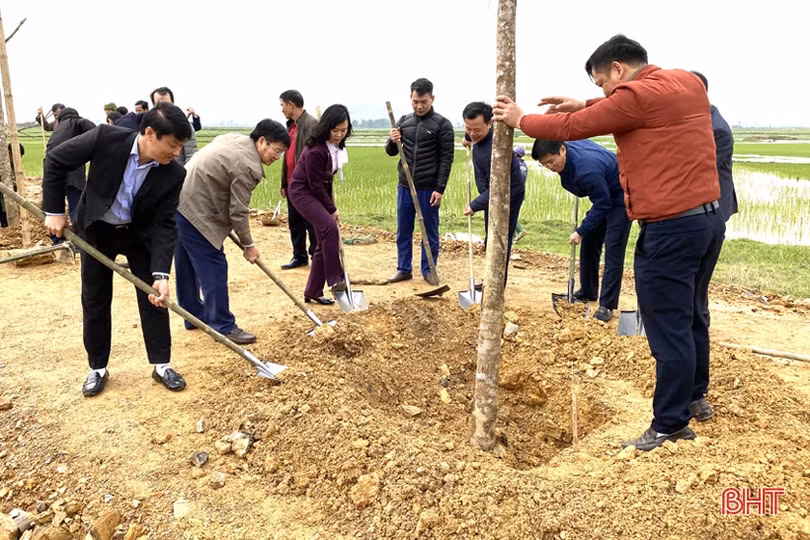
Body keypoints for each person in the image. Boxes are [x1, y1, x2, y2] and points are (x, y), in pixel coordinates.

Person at [494, 34, 724, 451]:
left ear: (618, 69)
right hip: (707, 223)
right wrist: (586, 102)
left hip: (669, 229)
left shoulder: (634, 95)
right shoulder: (687, 82)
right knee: (692, 314)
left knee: (667, 325)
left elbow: (570, 128)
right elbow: (627, 107)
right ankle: (694, 397)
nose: (604, 91)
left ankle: (671, 422)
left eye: (602, 83)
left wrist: (520, 118)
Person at [42, 102, 193, 397]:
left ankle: (161, 365)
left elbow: (165, 223)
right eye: (173, 145)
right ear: (149, 133)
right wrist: (54, 210)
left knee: (155, 297)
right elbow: (56, 160)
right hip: (97, 230)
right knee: (96, 299)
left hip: (139, 234)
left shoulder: (173, 174)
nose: (177, 153)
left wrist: (162, 272)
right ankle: (97, 368)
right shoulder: (105, 138)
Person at [175, 120, 290, 345]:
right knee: (214, 265)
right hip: (197, 210)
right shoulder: (249, 166)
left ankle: (193, 315)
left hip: (177, 201)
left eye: (281, 153)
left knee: (186, 263)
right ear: (262, 141)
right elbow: (238, 212)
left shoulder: (235, 138)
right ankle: (223, 325)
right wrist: (248, 245)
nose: (277, 158)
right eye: (276, 151)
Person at [531, 139, 630, 322]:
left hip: (620, 198)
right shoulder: (566, 147)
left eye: (552, 162)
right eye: (544, 164)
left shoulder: (587, 170)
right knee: (590, 243)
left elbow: (603, 204)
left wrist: (581, 231)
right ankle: (588, 290)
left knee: (613, 251)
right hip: (603, 194)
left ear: (563, 150)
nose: (549, 167)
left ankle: (607, 305)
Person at [385, 78, 454, 285]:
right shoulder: (404, 121)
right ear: (411, 98)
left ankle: (429, 269)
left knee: (429, 231)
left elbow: (446, 159)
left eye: (423, 101)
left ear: (432, 98)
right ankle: (403, 268)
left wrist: (439, 188)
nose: (419, 106)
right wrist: (393, 139)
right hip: (405, 185)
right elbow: (390, 152)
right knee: (403, 229)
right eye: (415, 101)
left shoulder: (442, 125)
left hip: (428, 188)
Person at [288, 105, 353, 303]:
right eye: (335, 130)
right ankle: (336, 278)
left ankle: (313, 291)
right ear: (327, 127)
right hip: (302, 192)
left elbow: (326, 181)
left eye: (344, 130)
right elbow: (315, 185)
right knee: (329, 228)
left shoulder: (336, 148)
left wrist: (329, 204)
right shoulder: (316, 150)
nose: (340, 134)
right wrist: (331, 209)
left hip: (317, 192)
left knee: (323, 242)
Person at [461, 101, 525, 286]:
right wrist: (468, 137)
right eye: (468, 129)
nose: (472, 134)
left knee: (499, 240)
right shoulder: (476, 135)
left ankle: (496, 284)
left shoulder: (497, 150)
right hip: (491, 194)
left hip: (508, 196)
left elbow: (500, 189)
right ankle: (490, 278)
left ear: (490, 123)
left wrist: (475, 205)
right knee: (490, 239)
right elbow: (471, 132)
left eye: (477, 130)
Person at [278, 90, 319, 270]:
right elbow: (287, 156)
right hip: (292, 182)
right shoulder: (290, 126)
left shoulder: (311, 125)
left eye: (282, 105)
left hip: (306, 185)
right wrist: (283, 183)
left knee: (310, 222)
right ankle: (299, 256)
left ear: (291, 104)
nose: (281, 110)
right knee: (295, 222)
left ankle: (316, 255)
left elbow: (316, 157)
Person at [43, 107, 96, 244]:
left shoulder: (58, 131)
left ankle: (57, 240)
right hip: (73, 175)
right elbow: (97, 132)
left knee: (54, 210)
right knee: (76, 209)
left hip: (53, 176)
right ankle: (79, 241)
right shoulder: (77, 122)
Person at [150, 87, 198, 164]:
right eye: (159, 104)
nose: (164, 107)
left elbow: (190, 154)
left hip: (178, 171)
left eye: (167, 103)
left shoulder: (184, 125)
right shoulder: (149, 125)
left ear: (173, 103)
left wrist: (186, 174)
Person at [513, 146, 529, 243]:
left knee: (510, 216)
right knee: (514, 214)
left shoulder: (515, 165)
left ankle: (521, 230)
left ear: (516, 154)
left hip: (513, 193)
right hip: (521, 194)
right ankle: (513, 239)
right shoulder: (524, 165)